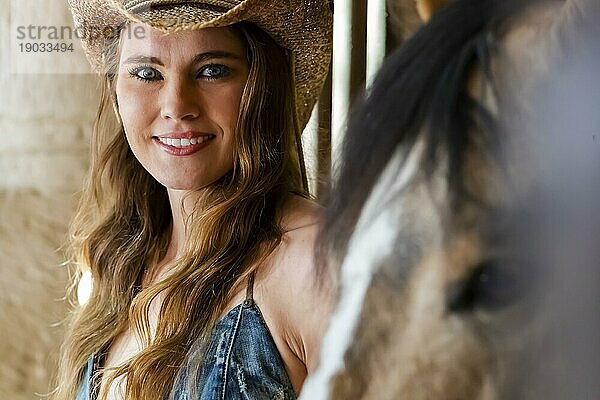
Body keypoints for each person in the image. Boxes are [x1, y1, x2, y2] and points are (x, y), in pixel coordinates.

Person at [54, 1, 334, 399]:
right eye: (147, 74)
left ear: (262, 86)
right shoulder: (121, 262)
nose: (177, 106)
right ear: (116, 90)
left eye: (212, 70)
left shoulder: (315, 257)